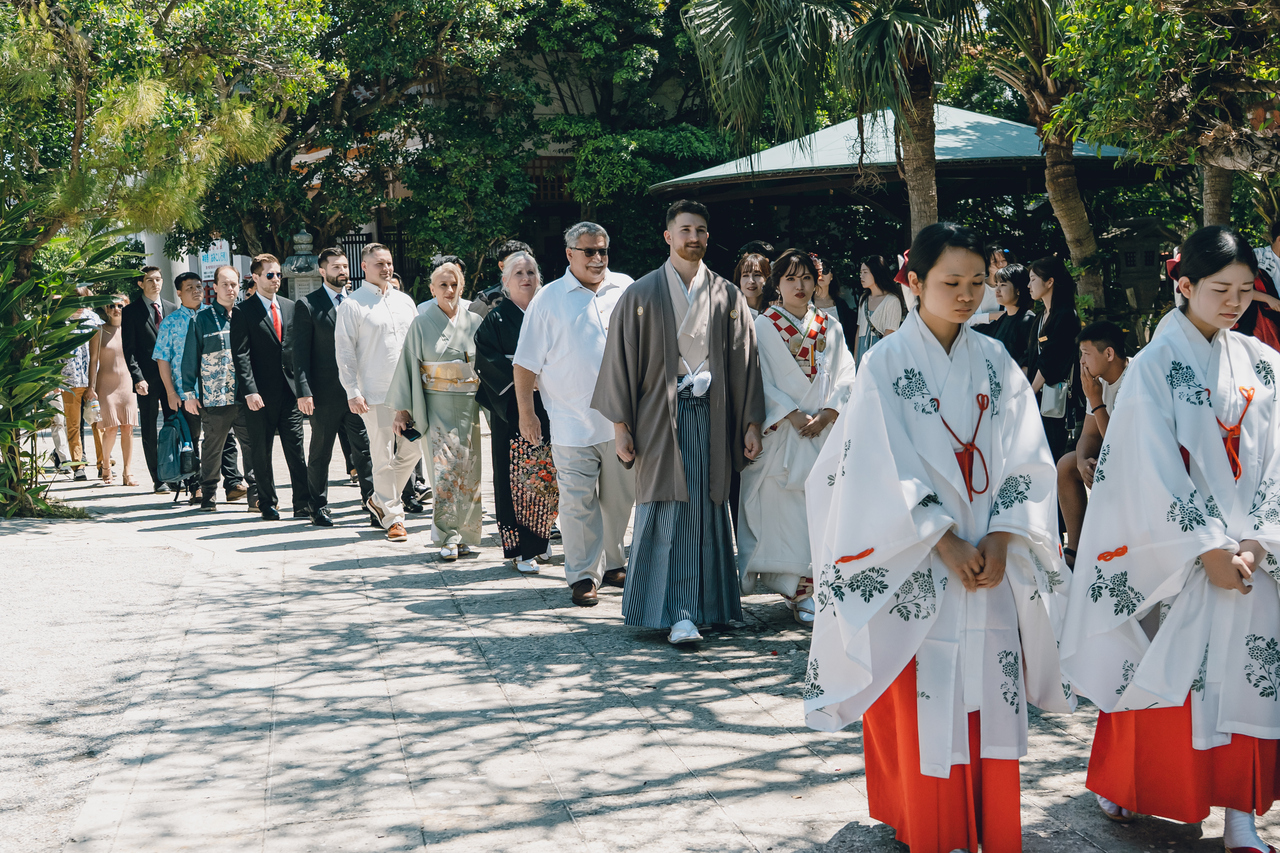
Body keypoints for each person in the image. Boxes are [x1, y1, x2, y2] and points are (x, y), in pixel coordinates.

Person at [802, 222, 1074, 853]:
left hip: (990, 560)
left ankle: (988, 823)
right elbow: (875, 466)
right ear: (915, 282)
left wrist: (1005, 536)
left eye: (977, 282)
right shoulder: (885, 363)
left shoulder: (997, 359)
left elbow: (1027, 456)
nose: (966, 295)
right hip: (917, 564)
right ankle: (929, 824)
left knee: (985, 688)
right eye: (950, 282)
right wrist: (942, 539)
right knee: (920, 696)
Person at [1059, 226, 1280, 848]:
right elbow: (1145, 468)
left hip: (1252, 556)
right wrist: (1206, 547)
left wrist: (1258, 540)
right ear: (1184, 287)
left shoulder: (1266, 365)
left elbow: (1279, 461)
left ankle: (1243, 814)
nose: (1235, 301)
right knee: (1161, 674)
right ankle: (1124, 783)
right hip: (1178, 557)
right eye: (1220, 289)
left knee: (1250, 679)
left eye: (1246, 290)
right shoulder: (1154, 367)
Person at [592, 200, 765, 644]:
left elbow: (746, 362)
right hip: (657, 422)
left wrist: (749, 423)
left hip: (713, 418)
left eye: (702, 230)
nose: (694, 238)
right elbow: (620, 361)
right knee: (666, 509)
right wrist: (620, 427)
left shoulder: (726, 294)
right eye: (686, 229)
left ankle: (705, 609)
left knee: (707, 510)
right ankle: (676, 612)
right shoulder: (642, 294)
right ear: (668, 236)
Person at [513, 222, 635, 606]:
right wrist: (527, 414)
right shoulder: (548, 300)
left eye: (603, 250)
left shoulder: (626, 288)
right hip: (569, 420)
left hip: (621, 421)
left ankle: (614, 560)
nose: (598, 259)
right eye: (589, 252)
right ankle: (582, 574)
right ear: (569, 255)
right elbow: (525, 364)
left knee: (619, 499)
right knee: (577, 501)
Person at [738, 249, 856, 626]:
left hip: (823, 432)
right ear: (777, 283)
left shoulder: (829, 324)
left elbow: (846, 374)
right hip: (782, 434)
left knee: (823, 511)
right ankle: (799, 590)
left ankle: (819, 586)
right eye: (790, 278)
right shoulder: (763, 324)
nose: (800, 285)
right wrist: (789, 411)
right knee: (785, 514)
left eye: (807, 277)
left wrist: (829, 412)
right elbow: (757, 377)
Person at [388, 261, 485, 561]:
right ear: (432, 289)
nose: (450, 290)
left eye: (454, 284)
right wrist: (403, 411)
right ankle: (447, 534)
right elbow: (408, 367)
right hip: (437, 403)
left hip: (470, 403)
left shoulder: (475, 321)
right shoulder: (421, 322)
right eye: (442, 285)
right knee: (444, 470)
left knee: (470, 470)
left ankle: (466, 534)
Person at [336, 242, 421, 541]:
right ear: (364, 268)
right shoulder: (353, 304)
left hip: (410, 393)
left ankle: (378, 499)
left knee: (414, 449)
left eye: (388, 262)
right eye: (379, 264)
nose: (386, 268)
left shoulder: (405, 301)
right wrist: (352, 390)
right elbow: (345, 351)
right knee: (382, 454)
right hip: (375, 394)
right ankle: (394, 518)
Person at [476, 251, 554, 573]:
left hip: (550, 402)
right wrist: (524, 382)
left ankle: (542, 536)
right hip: (510, 408)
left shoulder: (548, 313)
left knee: (546, 472)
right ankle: (522, 549)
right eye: (518, 273)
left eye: (532, 271)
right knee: (517, 476)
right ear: (505, 282)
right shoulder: (495, 319)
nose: (526, 278)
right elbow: (486, 362)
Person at [292, 247, 375, 527]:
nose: (342, 271)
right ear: (322, 271)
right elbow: (299, 354)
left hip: (357, 392)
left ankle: (372, 500)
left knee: (364, 449)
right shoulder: (308, 305)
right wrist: (304, 391)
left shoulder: (359, 301)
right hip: (324, 393)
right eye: (336, 267)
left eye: (344, 266)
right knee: (321, 452)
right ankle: (318, 505)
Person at [231, 254, 311, 521]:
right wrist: (250, 390)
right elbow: (240, 354)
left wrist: (303, 389)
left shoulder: (290, 307)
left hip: (289, 393)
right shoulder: (243, 311)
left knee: (296, 450)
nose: (276, 280)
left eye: (278, 275)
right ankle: (267, 502)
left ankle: (302, 502)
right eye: (270, 275)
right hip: (259, 395)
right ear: (255, 277)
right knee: (261, 452)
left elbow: (298, 351)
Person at [181, 265, 258, 512]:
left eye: (234, 284)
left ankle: (256, 494)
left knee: (252, 447)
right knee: (212, 448)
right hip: (214, 398)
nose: (230, 288)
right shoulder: (201, 320)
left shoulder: (246, 314)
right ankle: (209, 494)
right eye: (224, 284)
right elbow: (189, 358)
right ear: (214, 288)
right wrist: (189, 394)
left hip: (245, 396)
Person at [1056, 321, 1128, 568]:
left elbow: (1120, 445)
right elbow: (1089, 435)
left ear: (1109, 353)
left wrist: (1096, 399)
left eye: (1086, 355)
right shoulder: (1098, 381)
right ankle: (1075, 549)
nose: (1082, 363)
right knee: (1066, 465)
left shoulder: (1134, 378)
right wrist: (1082, 461)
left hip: (1136, 461)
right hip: (1113, 452)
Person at [121, 266, 179, 493]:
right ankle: (159, 478)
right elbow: (130, 349)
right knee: (149, 428)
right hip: (146, 379)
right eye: (150, 280)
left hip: (171, 380)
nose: (155, 283)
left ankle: (175, 473)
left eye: (158, 279)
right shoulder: (131, 312)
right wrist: (138, 378)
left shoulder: (172, 309)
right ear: (140, 283)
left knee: (173, 423)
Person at [154, 272, 207, 503]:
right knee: (191, 439)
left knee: (224, 437)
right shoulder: (170, 323)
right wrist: (170, 392)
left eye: (199, 286)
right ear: (178, 293)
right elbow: (162, 359)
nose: (196, 291)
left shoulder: (214, 315)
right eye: (189, 288)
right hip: (186, 393)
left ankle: (233, 481)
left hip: (216, 389)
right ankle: (196, 485)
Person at [1026, 256, 1081, 461]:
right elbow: (1033, 357)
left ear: (1049, 282)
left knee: (1053, 455)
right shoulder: (1040, 316)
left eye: (1033, 279)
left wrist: (1029, 393)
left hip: (1055, 399)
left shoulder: (1065, 315)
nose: (1029, 285)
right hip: (1039, 397)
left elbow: (1052, 361)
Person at [88, 292, 139, 486]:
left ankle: (128, 472)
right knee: (110, 429)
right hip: (106, 385)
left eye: (120, 306)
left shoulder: (131, 330)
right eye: (111, 306)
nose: (116, 309)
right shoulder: (98, 331)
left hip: (128, 384)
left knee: (128, 428)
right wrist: (91, 387)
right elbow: (93, 361)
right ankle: (106, 465)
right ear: (106, 309)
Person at [61, 286, 104, 481]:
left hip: (91, 380)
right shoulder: (59, 321)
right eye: (74, 300)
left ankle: (103, 464)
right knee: (73, 425)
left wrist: (92, 386)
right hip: (68, 381)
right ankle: (78, 465)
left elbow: (94, 356)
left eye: (82, 300)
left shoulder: (93, 319)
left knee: (97, 422)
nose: (79, 305)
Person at [974, 263, 1036, 369]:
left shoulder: (1028, 320)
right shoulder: (1001, 319)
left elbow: (1029, 360)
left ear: (1018, 289)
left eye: (1003, 285)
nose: (997, 290)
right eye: (996, 285)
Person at [853, 255, 907, 366]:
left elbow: (890, 334)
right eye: (860, 272)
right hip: (862, 354)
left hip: (880, 356)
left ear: (876, 272)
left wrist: (873, 361)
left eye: (865, 272)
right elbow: (859, 331)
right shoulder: (864, 299)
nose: (861, 276)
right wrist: (855, 360)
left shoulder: (892, 300)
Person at [470, 240, 535, 318]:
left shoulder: (542, 296)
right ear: (501, 266)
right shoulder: (486, 300)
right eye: (514, 262)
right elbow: (471, 328)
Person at [968, 243, 1017, 327]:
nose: (1001, 265)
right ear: (986, 264)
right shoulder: (974, 286)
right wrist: (990, 316)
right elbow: (963, 321)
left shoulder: (1012, 286)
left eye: (1003, 260)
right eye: (995, 262)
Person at [734, 252, 773, 316]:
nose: (751, 281)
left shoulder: (774, 312)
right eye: (745, 275)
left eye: (757, 275)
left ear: (767, 278)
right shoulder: (731, 311)